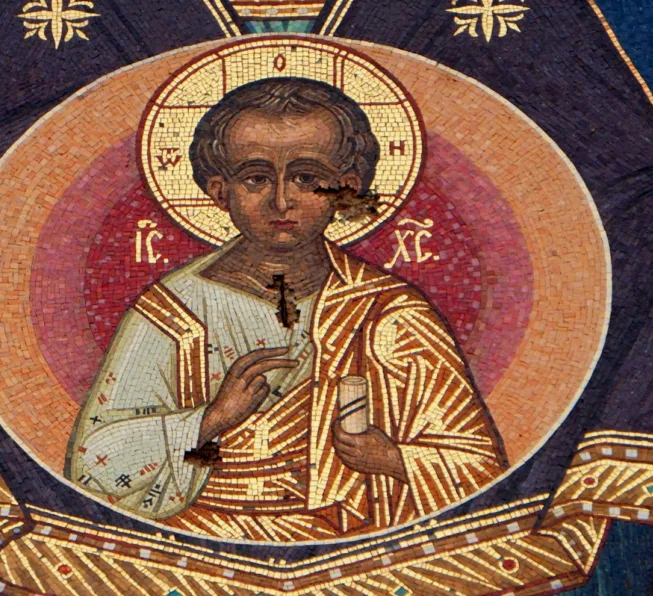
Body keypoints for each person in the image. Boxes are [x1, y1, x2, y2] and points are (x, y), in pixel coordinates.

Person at [65, 77, 508, 541]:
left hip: (348, 539)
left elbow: (481, 470)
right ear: (220, 192)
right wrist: (211, 420)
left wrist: (391, 459)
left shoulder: (388, 312)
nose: (281, 200)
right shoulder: (172, 312)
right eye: (256, 178)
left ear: (346, 189)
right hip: (200, 537)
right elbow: (91, 467)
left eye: (307, 178)